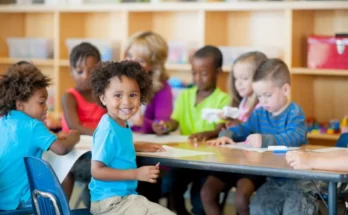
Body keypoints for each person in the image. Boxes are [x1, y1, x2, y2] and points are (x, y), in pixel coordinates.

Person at [209, 58, 318, 215]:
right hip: (274, 179)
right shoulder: (260, 113)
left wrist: (265, 140)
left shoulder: (294, 111)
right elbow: (245, 128)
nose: (263, 101)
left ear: (285, 90)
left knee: (295, 210)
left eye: (267, 95)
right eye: (259, 96)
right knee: (258, 207)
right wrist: (226, 134)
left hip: (299, 180)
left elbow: (296, 136)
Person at [89, 60, 174, 215]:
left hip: (122, 199)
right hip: (111, 203)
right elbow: (97, 171)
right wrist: (136, 174)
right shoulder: (108, 129)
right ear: (103, 98)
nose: (126, 102)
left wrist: (139, 146)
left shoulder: (119, 123)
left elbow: (116, 147)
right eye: (117, 95)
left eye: (133, 95)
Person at [153, 46, 231, 215]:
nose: (198, 78)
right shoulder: (185, 96)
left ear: (218, 72)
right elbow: (175, 121)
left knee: (200, 199)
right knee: (170, 185)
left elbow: (221, 128)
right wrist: (166, 126)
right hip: (185, 158)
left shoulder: (224, 99)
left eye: (203, 73)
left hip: (210, 162)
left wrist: (206, 134)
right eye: (194, 73)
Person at [0, 62, 80, 211]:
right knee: (67, 175)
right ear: (20, 105)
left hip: (2, 201)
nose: (46, 108)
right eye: (41, 102)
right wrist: (74, 136)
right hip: (22, 202)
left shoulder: (4, 119)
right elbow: (61, 149)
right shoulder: (33, 126)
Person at [201, 51, 267, 215]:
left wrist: (239, 126)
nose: (239, 84)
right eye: (236, 78)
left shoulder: (264, 105)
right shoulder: (241, 103)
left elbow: (261, 134)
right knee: (207, 193)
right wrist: (226, 130)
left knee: (241, 198)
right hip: (233, 162)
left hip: (253, 166)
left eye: (245, 78)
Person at [124, 31, 173, 134]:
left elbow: (162, 126)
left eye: (140, 60)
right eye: (129, 55)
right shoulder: (116, 80)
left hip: (144, 142)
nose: (131, 63)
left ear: (154, 65)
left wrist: (141, 122)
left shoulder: (162, 88)